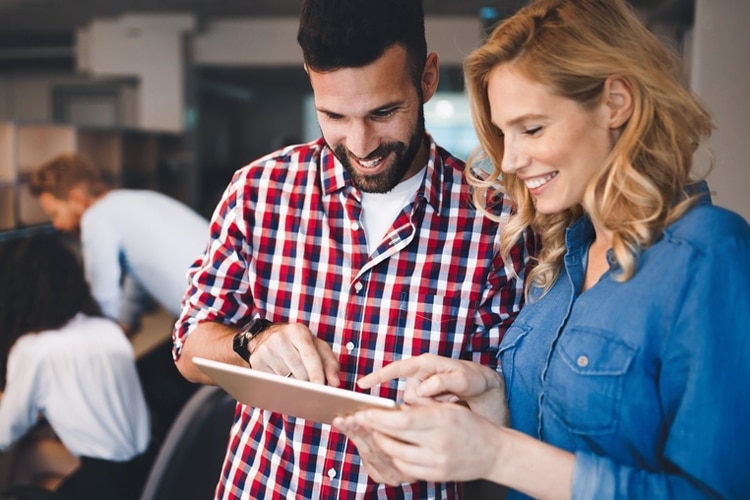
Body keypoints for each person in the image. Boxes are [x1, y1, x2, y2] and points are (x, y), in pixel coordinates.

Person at [333, 0, 750, 498]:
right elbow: (559, 437)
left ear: (616, 102)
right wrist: (489, 400)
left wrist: (498, 452)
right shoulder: (560, 259)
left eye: (532, 128)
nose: (511, 159)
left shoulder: (708, 256)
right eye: (504, 133)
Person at [173, 0, 536, 497]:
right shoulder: (258, 190)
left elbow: (507, 404)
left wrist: (446, 425)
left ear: (427, 79)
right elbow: (190, 350)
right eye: (334, 115)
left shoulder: (499, 222)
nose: (361, 144)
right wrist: (251, 342)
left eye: (383, 112)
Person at [29, 152, 208, 442]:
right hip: (231, 309)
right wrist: (123, 325)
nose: (58, 225)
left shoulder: (96, 219)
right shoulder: (130, 201)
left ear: (76, 198)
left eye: (55, 213)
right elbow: (138, 275)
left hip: (212, 321)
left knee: (154, 389)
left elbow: (101, 299)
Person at [0, 233, 153, 500]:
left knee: (23, 479)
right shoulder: (105, 329)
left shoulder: (34, 349)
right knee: (31, 457)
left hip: (106, 488)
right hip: (142, 474)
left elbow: (4, 434)